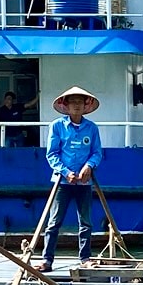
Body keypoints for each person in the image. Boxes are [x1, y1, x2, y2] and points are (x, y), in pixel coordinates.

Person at [42, 83, 103, 269]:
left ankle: (85, 259)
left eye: (80, 102)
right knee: (54, 222)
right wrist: (66, 172)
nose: (76, 105)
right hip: (62, 181)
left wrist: (89, 166)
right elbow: (52, 154)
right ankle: (47, 260)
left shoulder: (92, 128)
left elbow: (97, 152)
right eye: (72, 102)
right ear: (66, 106)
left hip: (84, 183)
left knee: (86, 222)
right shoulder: (57, 126)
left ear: (86, 106)